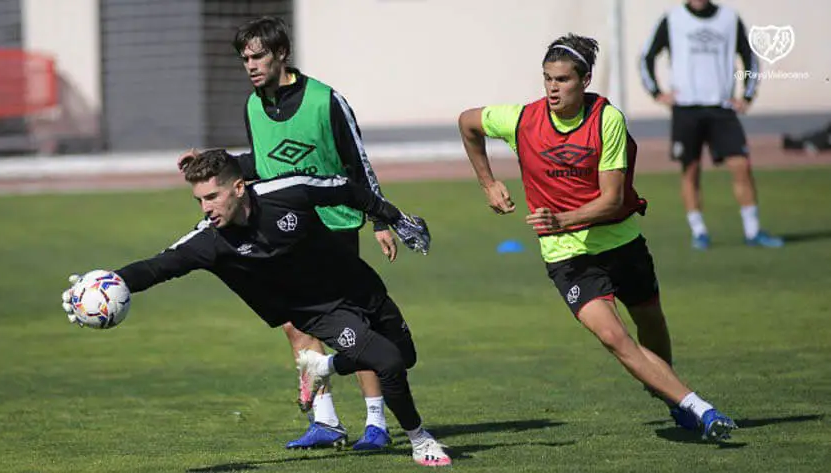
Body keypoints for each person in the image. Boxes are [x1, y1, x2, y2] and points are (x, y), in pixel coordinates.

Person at [61, 149, 451, 467]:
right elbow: (158, 266)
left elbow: (346, 189)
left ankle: (325, 365)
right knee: (388, 361)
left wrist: (393, 218)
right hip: (320, 311)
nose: (206, 208)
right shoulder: (209, 241)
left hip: (359, 283)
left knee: (405, 356)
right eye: (199, 200)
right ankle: (421, 440)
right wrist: (108, 283)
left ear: (239, 187)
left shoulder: (288, 192)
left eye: (212, 197)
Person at [457, 33, 738, 441]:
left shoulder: (607, 121)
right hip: (568, 256)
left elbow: (611, 201)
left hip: (621, 241)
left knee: (650, 321)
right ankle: (699, 408)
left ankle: (667, 390)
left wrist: (563, 218)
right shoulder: (521, 119)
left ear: (585, 80)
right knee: (614, 338)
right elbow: (467, 122)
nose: (553, 88)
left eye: (563, 80)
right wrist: (487, 183)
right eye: (547, 79)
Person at [180, 16, 396, 449]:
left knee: (353, 322)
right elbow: (262, 163)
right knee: (295, 323)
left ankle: (377, 424)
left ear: (282, 53)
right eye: (245, 58)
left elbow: (359, 163)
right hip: (280, 228)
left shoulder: (326, 101)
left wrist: (381, 220)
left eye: (258, 55)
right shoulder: (253, 105)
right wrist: (214, 163)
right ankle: (326, 420)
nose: (251, 65)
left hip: (332, 224)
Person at [640, 0, 784, 250]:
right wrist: (657, 92)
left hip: (721, 108)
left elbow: (750, 57)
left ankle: (753, 231)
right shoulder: (672, 19)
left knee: (741, 165)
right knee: (691, 170)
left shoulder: (729, 18)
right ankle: (699, 232)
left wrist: (746, 96)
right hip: (686, 109)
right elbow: (646, 57)